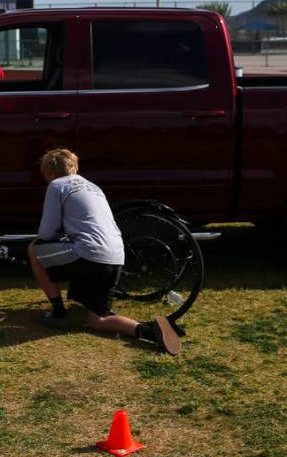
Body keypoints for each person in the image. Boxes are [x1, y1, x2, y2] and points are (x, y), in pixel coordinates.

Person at [26, 148, 181, 355]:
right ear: (74, 166)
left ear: (49, 173)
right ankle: (148, 331)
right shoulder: (93, 187)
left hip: (88, 253)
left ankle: (58, 313)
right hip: (115, 256)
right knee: (99, 319)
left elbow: (47, 231)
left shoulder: (57, 185)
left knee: (33, 250)